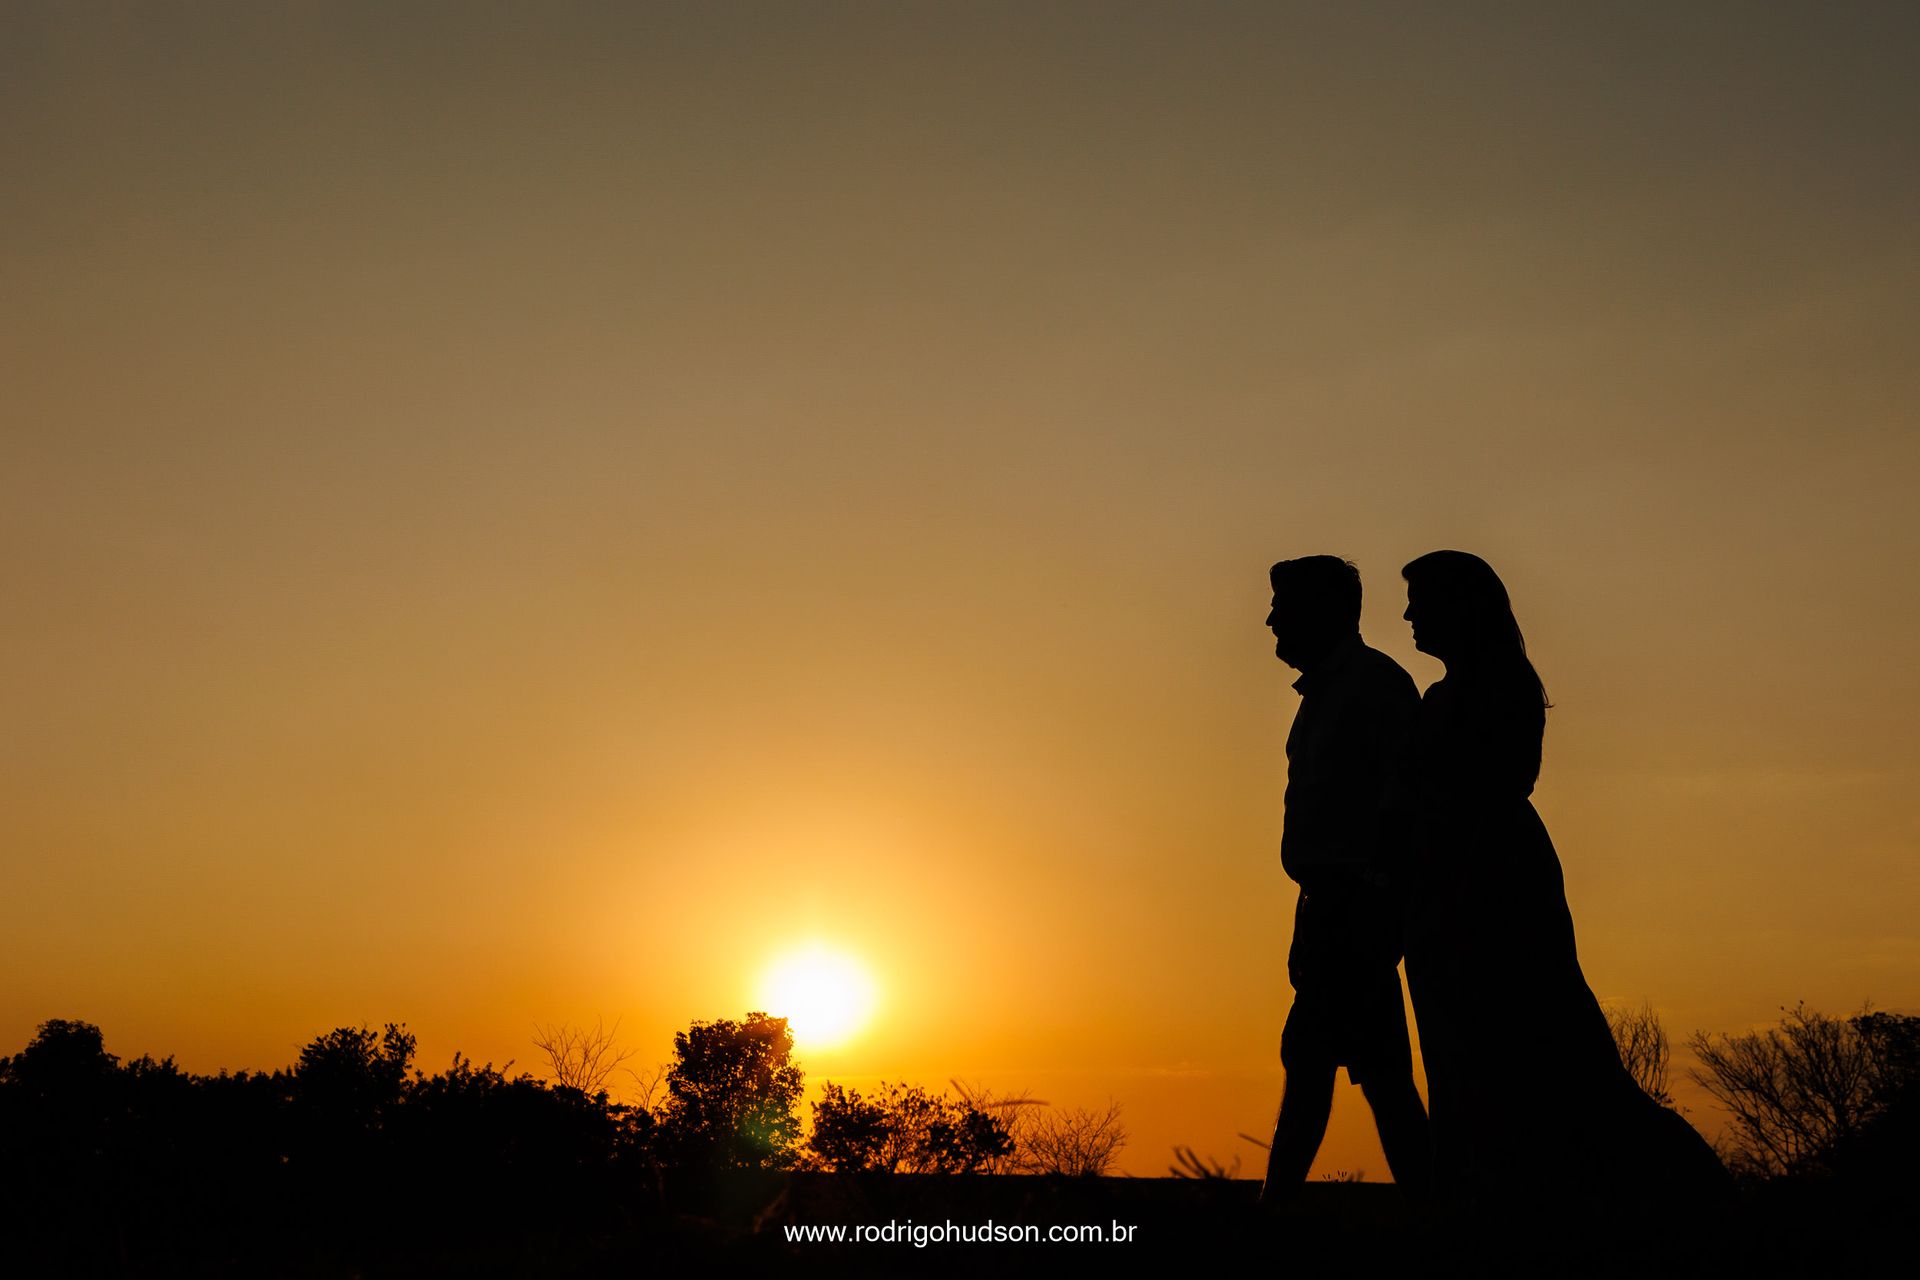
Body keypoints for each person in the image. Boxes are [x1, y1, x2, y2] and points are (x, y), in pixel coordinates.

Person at [1397, 550, 1728, 1210]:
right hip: (1446, 885)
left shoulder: (1499, 686)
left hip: (1491, 881)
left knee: (1543, 1047)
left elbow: (1492, 781)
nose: (1407, 614)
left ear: (1459, 606)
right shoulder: (1449, 693)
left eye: (1421, 600)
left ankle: (1676, 1193)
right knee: (1466, 1054)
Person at [1258, 556, 1431, 1207]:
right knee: (1362, 1074)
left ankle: (1273, 1215)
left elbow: (1404, 803)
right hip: (1330, 910)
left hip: (1354, 913)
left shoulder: (1373, 690)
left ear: (1323, 612)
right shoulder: (1330, 695)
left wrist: (1373, 906)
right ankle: (1435, 1213)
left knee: (1321, 1067)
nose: (1271, 619)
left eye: (1284, 605)